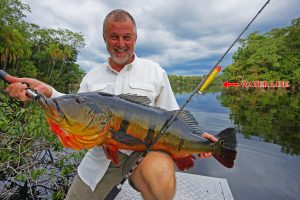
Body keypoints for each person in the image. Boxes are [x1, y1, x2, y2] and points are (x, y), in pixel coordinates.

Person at [5, 9, 217, 200]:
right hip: (101, 159)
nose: (121, 43)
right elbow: (78, 109)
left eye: (127, 37)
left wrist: (199, 138)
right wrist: (47, 91)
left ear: (135, 38)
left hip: (145, 156)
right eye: (114, 37)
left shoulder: (155, 72)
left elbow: (173, 117)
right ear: (105, 38)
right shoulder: (92, 76)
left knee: (161, 175)